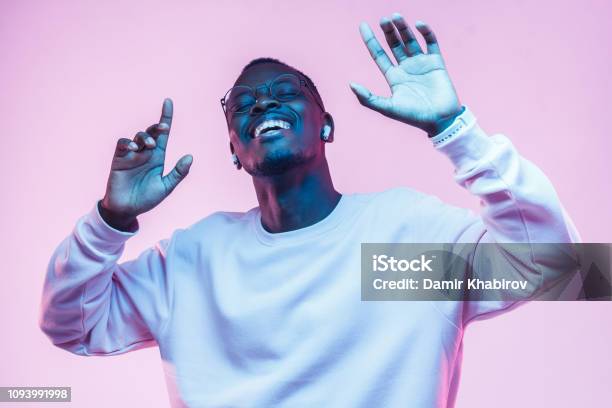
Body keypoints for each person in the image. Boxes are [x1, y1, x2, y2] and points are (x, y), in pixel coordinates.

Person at [39, 12, 579, 408]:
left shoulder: (397, 244)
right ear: (234, 149)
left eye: (283, 92)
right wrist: (110, 221)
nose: (262, 104)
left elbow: (556, 267)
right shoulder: (192, 260)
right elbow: (70, 325)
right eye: (243, 104)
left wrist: (455, 129)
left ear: (326, 125)